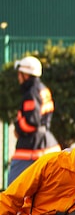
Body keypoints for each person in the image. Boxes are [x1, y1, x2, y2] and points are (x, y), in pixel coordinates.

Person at [7, 56, 61, 185]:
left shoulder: (31, 93)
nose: (18, 77)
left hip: (31, 147)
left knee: (12, 188)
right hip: (48, 144)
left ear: (25, 75)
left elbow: (32, 122)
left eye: (19, 74)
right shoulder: (42, 89)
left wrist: (18, 129)